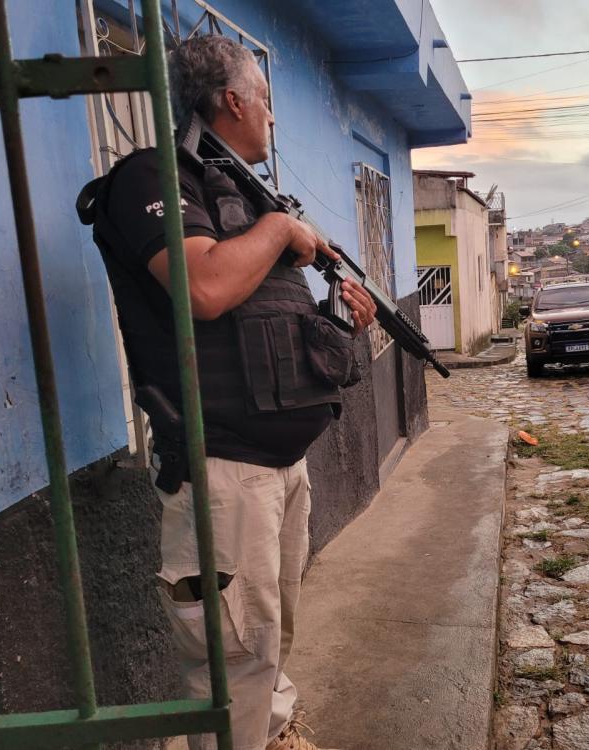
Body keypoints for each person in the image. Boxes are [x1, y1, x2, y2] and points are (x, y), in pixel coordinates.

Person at [83, 36, 376, 750]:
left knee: (269, 641)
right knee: (233, 658)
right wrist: (281, 229)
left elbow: (268, 320)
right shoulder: (150, 177)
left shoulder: (246, 197)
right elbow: (207, 289)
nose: (273, 119)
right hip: (223, 470)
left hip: (282, 466)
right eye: (267, 102)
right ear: (234, 100)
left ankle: (271, 736)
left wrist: (337, 313)